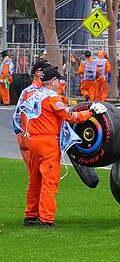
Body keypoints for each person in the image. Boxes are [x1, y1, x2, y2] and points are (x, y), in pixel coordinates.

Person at [13, 66, 106, 227]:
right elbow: (69, 116)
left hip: (31, 141)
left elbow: (19, 114)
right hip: (47, 143)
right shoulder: (52, 98)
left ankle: (30, 216)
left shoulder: (32, 94)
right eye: (59, 81)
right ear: (54, 81)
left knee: (34, 180)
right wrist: (91, 112)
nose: (60, 83)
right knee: (50, 182)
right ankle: (47, 220)